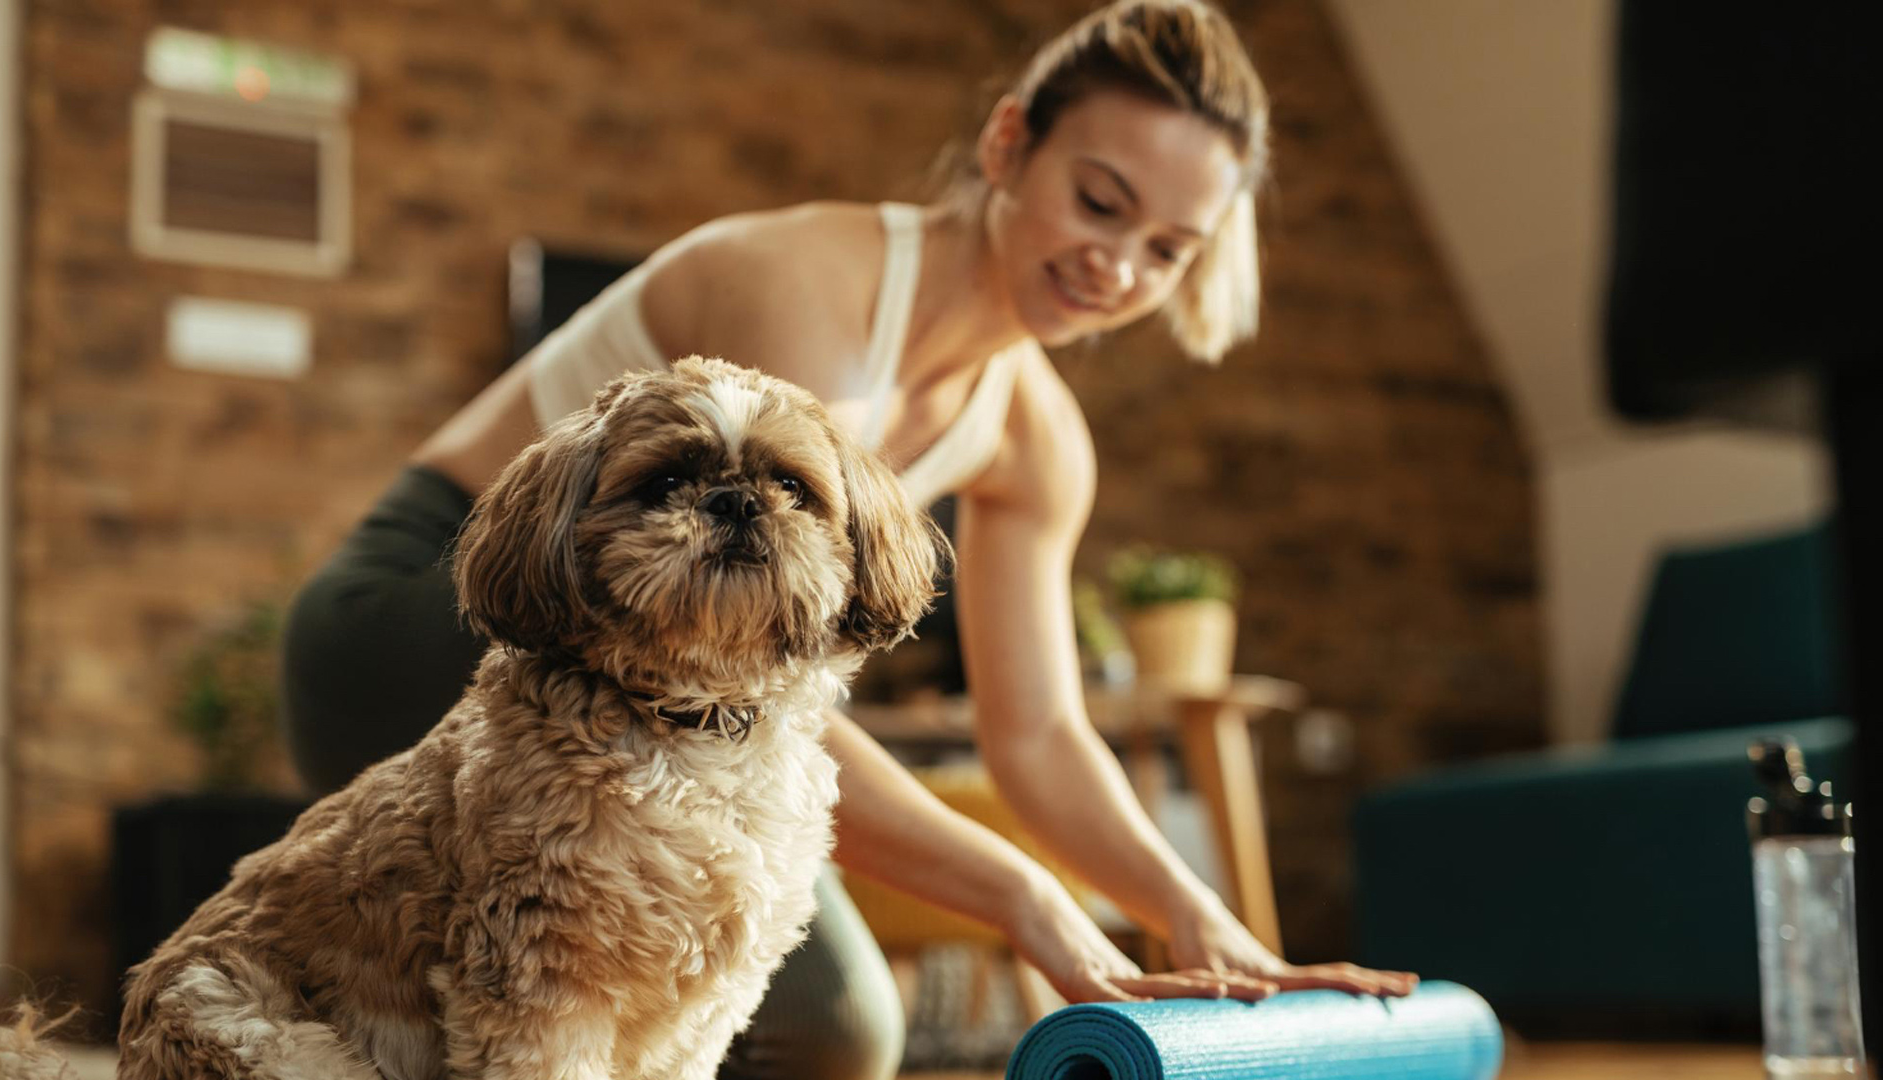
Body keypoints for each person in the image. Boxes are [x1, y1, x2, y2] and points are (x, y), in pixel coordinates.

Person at [280, 1, 1418, 1077]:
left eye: (1169, 248)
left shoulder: (1036, 442)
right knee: (811, 1016)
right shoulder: (808, 288)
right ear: (1010, 142)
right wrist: (1025, 898)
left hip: (667, 676)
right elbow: (746, 686)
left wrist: (1195, 913)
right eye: (1101, 201)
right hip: (438, 613)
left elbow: (1040, 733)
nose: (1118, 267)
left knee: (830, 1037)